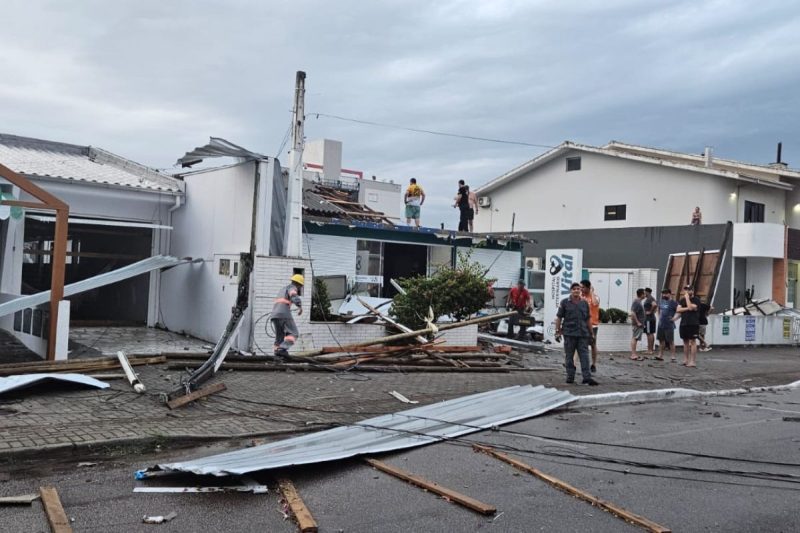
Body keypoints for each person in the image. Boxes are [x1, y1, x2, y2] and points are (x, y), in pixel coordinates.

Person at [555, 282, 598, 385]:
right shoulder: (564, 302)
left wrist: (591, 333)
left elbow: (588, 319)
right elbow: (559, 317)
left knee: (584, 356)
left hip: (583, 334)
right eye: (574, 289)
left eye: (578, 289)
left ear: (580, 291)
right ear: (571, 290)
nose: (576, 290)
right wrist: (557, 331)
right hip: (569, 334)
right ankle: (570, 377)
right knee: (569, 356)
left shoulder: (584, 303)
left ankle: (587, 378)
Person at [271, 274, 304, 359]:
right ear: (298, 284)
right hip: (284, 314)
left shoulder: (282, 289)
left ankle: (277, 356)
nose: (300, 288)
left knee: (279, 337)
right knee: (294, 333)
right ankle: (282, 349)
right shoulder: (292, 287)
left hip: (274, 315)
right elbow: (293, 295)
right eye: (300, 286)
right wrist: (299, 306)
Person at [676, 285, 701, 367]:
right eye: (686, 290)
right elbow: (678, 310)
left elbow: (691, 307)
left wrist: (687, 298)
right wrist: (687, 307)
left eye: (689, 290)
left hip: (693, 323)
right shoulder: (681, 300)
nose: (687, 291)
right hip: (684, 323)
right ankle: (686, 359)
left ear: (692, 291)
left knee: (693, 342)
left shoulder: (696, 300)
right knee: (685, 341)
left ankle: (693, 361)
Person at [580, 279, 600, 372]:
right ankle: (574, 364)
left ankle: (593, 364)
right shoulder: (581, 297)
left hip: (593, 324)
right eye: (580, 287)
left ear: (588, 288)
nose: (581, 289)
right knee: (578, 343)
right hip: (581, 324)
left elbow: (595, 303)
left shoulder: (595, 297)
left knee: (592, 344)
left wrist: (591, 292)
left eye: (583, 287)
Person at [656, 288, 679, 361]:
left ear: (669, 294)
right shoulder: (661, 301)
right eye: (663, 293)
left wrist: (674, 318)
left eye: (665, 293)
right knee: (661, 340)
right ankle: (660, 355)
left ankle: (673, 356)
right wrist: (659, 316)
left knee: (670, 341)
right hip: (661, 324)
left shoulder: (674, 303)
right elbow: (658, 309)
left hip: (669, 324)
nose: (664, 295)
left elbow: (679, 312)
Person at [629, 288, 646, 360]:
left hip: (639, 324)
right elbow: (633, 312)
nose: (645, 295)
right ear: (641, 294)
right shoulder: (636, 302)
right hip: (637, 324)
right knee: (635, 338)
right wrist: (638, 322)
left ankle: (634, 354)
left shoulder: (639, 302)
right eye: (644, 294)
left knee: (635, 338)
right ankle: (633, 354)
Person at [643, 287, 657, 354]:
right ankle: (650, 349)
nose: (644, 293)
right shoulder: (650, 298)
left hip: (649, 319)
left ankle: (650, 350)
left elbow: (654, 305)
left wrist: (650, 312)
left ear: (647, 292)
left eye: (645, 292)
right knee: (650, 333)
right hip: (650, 318)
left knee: (649, 333)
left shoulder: (650, 298)